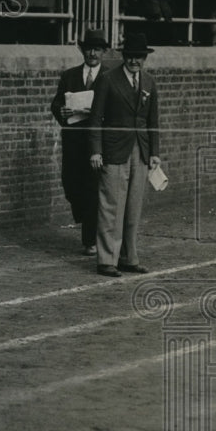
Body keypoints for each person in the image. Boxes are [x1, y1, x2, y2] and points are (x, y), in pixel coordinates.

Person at [89, 32, 161, 277]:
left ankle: (129, 258)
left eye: (139, 57)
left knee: (133, 206)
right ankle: (106, 259)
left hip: (140, 150)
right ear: (124, 57)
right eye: (130, 57)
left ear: (145, 59)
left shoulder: (149, 82)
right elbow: (96, 118)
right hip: (113, 150)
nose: (134, 61)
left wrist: (154, 153)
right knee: (111, 205)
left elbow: (153, 121)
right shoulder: (108, 80)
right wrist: (96, 150)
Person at [50, 28, 109, 256]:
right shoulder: (70, 76)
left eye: (97, 49)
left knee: (92, 189)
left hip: (96, 143)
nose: (92, 53)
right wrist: (61, 110)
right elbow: (56, 104)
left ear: (103, 52)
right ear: (83, 50)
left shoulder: (108, 76)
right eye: (88, 49)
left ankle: (90, 239)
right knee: (72, 186)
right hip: (74, 140)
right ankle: (86, 218)